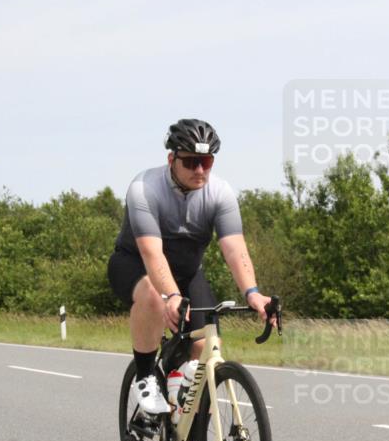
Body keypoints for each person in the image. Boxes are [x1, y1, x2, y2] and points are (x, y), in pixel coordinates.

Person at [108, 119, 275, 418]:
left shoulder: (220, 194)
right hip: (134, 265)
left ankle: (189, 426)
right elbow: (151, 252)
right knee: (150, 295)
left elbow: (235, 250)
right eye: (192, 162)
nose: (200, 170)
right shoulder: (144, 188)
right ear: (171, 159)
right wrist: (170, 296)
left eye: (207, 161)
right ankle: (145, 376)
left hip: (187, 272)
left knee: (209, 343)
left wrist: (253, 293)